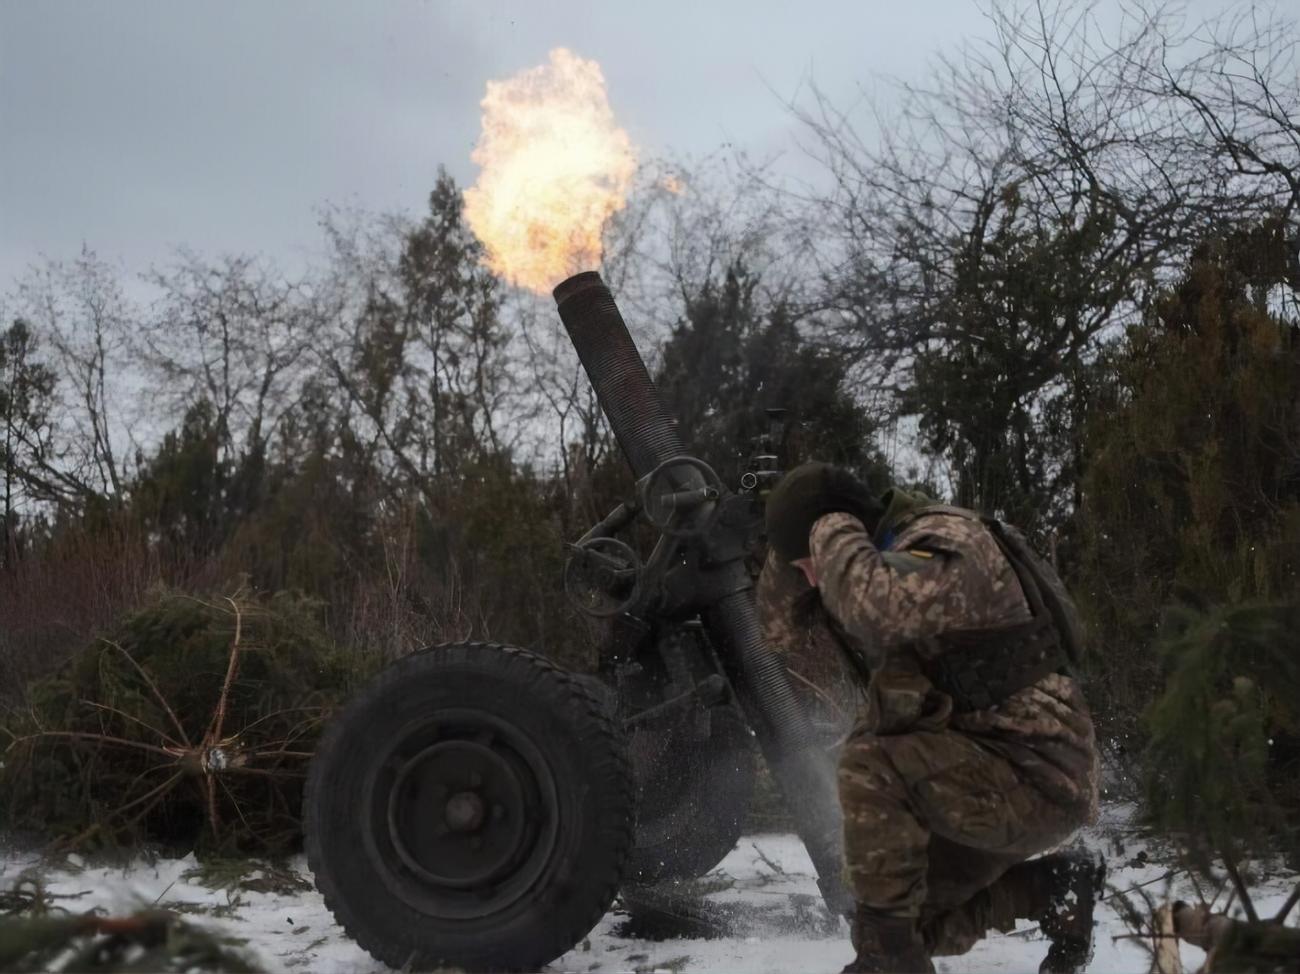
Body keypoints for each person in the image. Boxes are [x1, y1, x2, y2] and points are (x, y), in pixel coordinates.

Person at [758, 462, 1103, 974]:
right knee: (896, 920)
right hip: (977, 774)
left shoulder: (950, 541)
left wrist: (826, 525)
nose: (812, 578)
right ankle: (1053, 888)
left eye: (812, 564)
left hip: (1038, 775)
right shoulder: (879, 557)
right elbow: (775, 630)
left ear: (843, 529)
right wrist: (789, 538)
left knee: (872, 763)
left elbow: (875, 609)